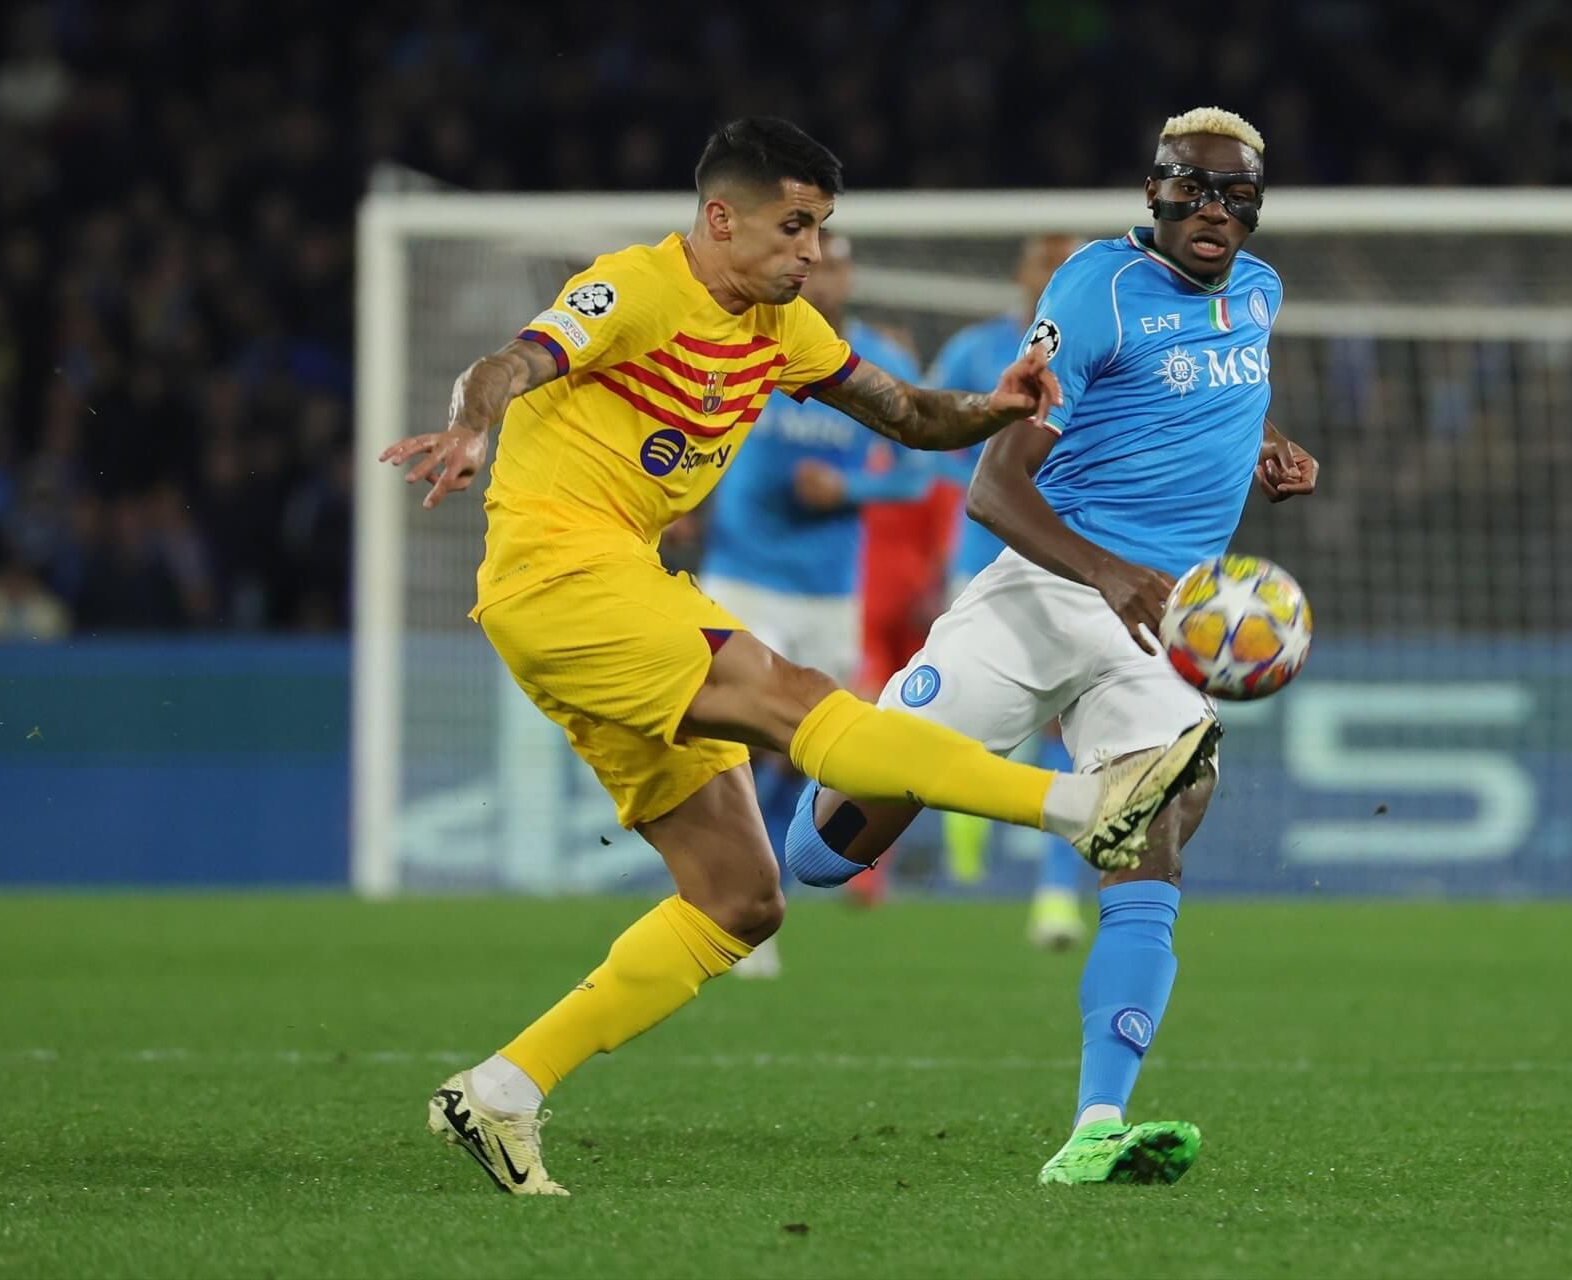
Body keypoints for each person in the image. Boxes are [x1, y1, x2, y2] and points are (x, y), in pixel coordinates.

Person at [379, 116, 1222, 1196]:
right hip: (564, 576)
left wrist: (997, 406)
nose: (811, 253)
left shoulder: (780, 327)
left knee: (741, 896)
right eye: (793, 227)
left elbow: (907, 412)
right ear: (720, 218)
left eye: (820, 228)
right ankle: (1080, 804)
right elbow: (510, 362)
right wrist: (470, 422)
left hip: (608, 592)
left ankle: (503, 1088)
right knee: (799, 701)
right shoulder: (633, 288)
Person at [782, 107, 1321, 1187]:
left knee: (1159, 826)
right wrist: (1108, 571)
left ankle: (1096, 1125)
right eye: (1192, 188)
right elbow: (993, 485)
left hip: (1158, 629)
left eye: (1235, 195)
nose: (1213, 211)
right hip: (1043, 590)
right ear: (1154, 192)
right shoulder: (1095, 289)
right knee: (821, 848)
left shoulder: (1258, 296)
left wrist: (1260, 441)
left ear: (1256, 207)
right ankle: (980, 792)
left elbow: (1199, 389)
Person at [698, 229, 932, 978]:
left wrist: (850, 490)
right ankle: (737, 902)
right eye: (813, 259)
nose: (822, 272)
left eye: (836, 263)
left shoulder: (882, 365)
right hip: (743, 572)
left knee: (808, 756)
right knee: (752, 733)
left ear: (849, 276)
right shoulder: (748, 340)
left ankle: (754, 885)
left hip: (831, 591)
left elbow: (915, 476)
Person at [924, 234, 1092, 948]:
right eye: (1042, 261)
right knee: (968, 725)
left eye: (1067, 262)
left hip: (1066, 560)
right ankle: (963, 833)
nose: (1053, 273)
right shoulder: (976, 347)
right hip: (981, 555)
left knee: (1066, 725)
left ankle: (1055, 899)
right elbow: (930, 438)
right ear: (1020, 274)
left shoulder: (1098, 346)